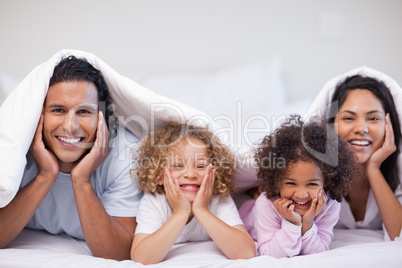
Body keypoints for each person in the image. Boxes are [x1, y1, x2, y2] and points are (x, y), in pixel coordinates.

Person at [0, 56, 143, 260]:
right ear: (39, 114)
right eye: (58, 110)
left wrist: (81, 180)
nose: (70, 126)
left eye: (84, 111)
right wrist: (46, 175)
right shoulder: (14, 150)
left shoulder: (125, 155)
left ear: (101, 118)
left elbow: (118, 252)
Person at [130, 121, 256, 264]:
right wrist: (180, 213)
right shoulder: (155, 201)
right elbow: (141, 258)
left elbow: (247, 253)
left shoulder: (218, 198)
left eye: (201, 166)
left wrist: (202, 210)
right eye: (177, 165)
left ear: (215, 172)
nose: (190, 174)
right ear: (158, 174)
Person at [239, 115, 355, 258]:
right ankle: (254, 193)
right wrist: (291, 223)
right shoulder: (265, 205)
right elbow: (271, 254)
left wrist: (307, 224)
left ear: (327, 181)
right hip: (246, 214)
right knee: (257, 200)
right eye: (290, 183)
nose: (301, 194)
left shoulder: (330, 205)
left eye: (312, 184)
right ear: (277, 181)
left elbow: (319, 252)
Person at [326, 74, 402, 241]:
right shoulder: (313, 167)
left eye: (373, 118)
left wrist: (373, 169)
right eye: (348, 118)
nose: (361, 128)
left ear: (389, 124)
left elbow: (399, 236)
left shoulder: (399, 166)